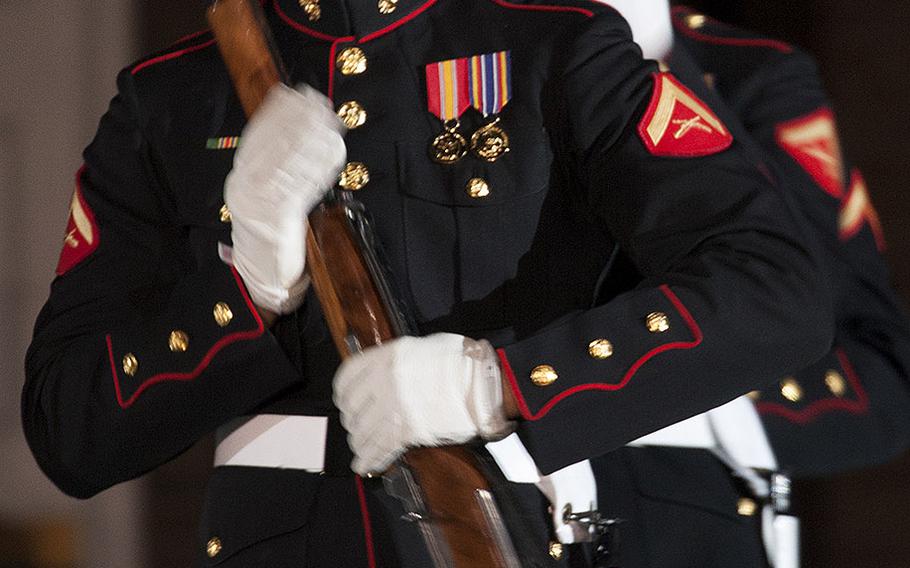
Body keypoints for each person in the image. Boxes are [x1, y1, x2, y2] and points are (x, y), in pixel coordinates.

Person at [23, 1, 835, 566]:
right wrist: (247, 290)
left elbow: (775, 292)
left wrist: (496, 385)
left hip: (509, 535)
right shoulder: (167, 97)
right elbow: (70, 431)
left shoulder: (558, 44)